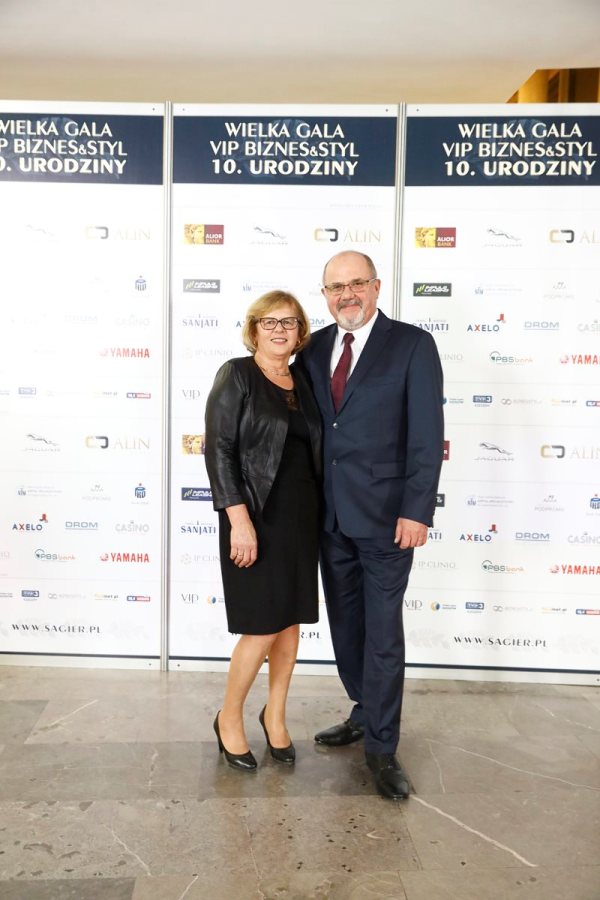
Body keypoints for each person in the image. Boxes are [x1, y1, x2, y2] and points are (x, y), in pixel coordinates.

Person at [299, 251, 444, 800]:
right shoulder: (312, 348)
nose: (347, 295)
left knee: (382, 634)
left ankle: (382, 747)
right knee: (346, 626)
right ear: (325, 295)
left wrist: (417, 509)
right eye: (336, 287)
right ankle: (364, 709)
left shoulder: (411, 345)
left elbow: (427, 434)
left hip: (387, 518)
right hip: (328, 517)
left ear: (376, 287)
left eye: (356, 283)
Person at [204, 290, 322, 771]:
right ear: (254, 329)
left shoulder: (304, 380)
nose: (279, 330)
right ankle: (228, 718)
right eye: (269, 322)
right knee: (261, 626)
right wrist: (239, 521)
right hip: (254, 517)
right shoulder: (238, 374)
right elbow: (219, 450)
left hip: (303, 517)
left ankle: (275, 715)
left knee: (290, 624)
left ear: (300, 333)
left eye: (289, 322)